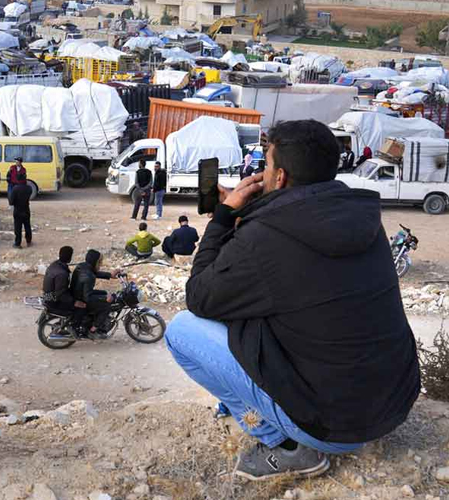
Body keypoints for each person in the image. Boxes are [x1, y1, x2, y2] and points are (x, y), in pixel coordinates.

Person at [165, 120, 420, 481]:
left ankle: (285, 448)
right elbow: (292, 265)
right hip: (390, 406)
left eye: (266, 166)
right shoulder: (358, 219)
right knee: (251, 308)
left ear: (280, 177)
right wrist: (256, 216)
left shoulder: (265, 240)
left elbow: (201, 297)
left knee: (181, 332)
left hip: (335, 429)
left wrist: (223, 218)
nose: (261, 173)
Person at [70, 250, 120, 337]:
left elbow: (94, 272)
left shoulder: (83, 266)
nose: (100, 264)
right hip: (81, 298)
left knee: (104, 292)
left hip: (77, 293)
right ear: (95, 262)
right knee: (107, 305)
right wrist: (105, 299)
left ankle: (93, 319)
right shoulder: (88, 276)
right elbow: (87, 298)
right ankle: (93, 330)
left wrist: (110, 275)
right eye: (99, 262)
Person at [43, 246, 78, 314]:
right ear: (70, 258)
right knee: (80, 309)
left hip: (48, 296)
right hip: (53, 302)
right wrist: (74, 302)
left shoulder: (54, 264)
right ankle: (74, 324)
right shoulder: (62, 274)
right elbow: (60, 294)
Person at [9, 172, 33, 248]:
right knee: (27, 226)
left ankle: (17, 243)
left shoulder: (15, 188)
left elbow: (11, 202)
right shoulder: (29, 188)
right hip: (26, 209)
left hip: (17, 210)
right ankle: (28, 241)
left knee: (18, 228)